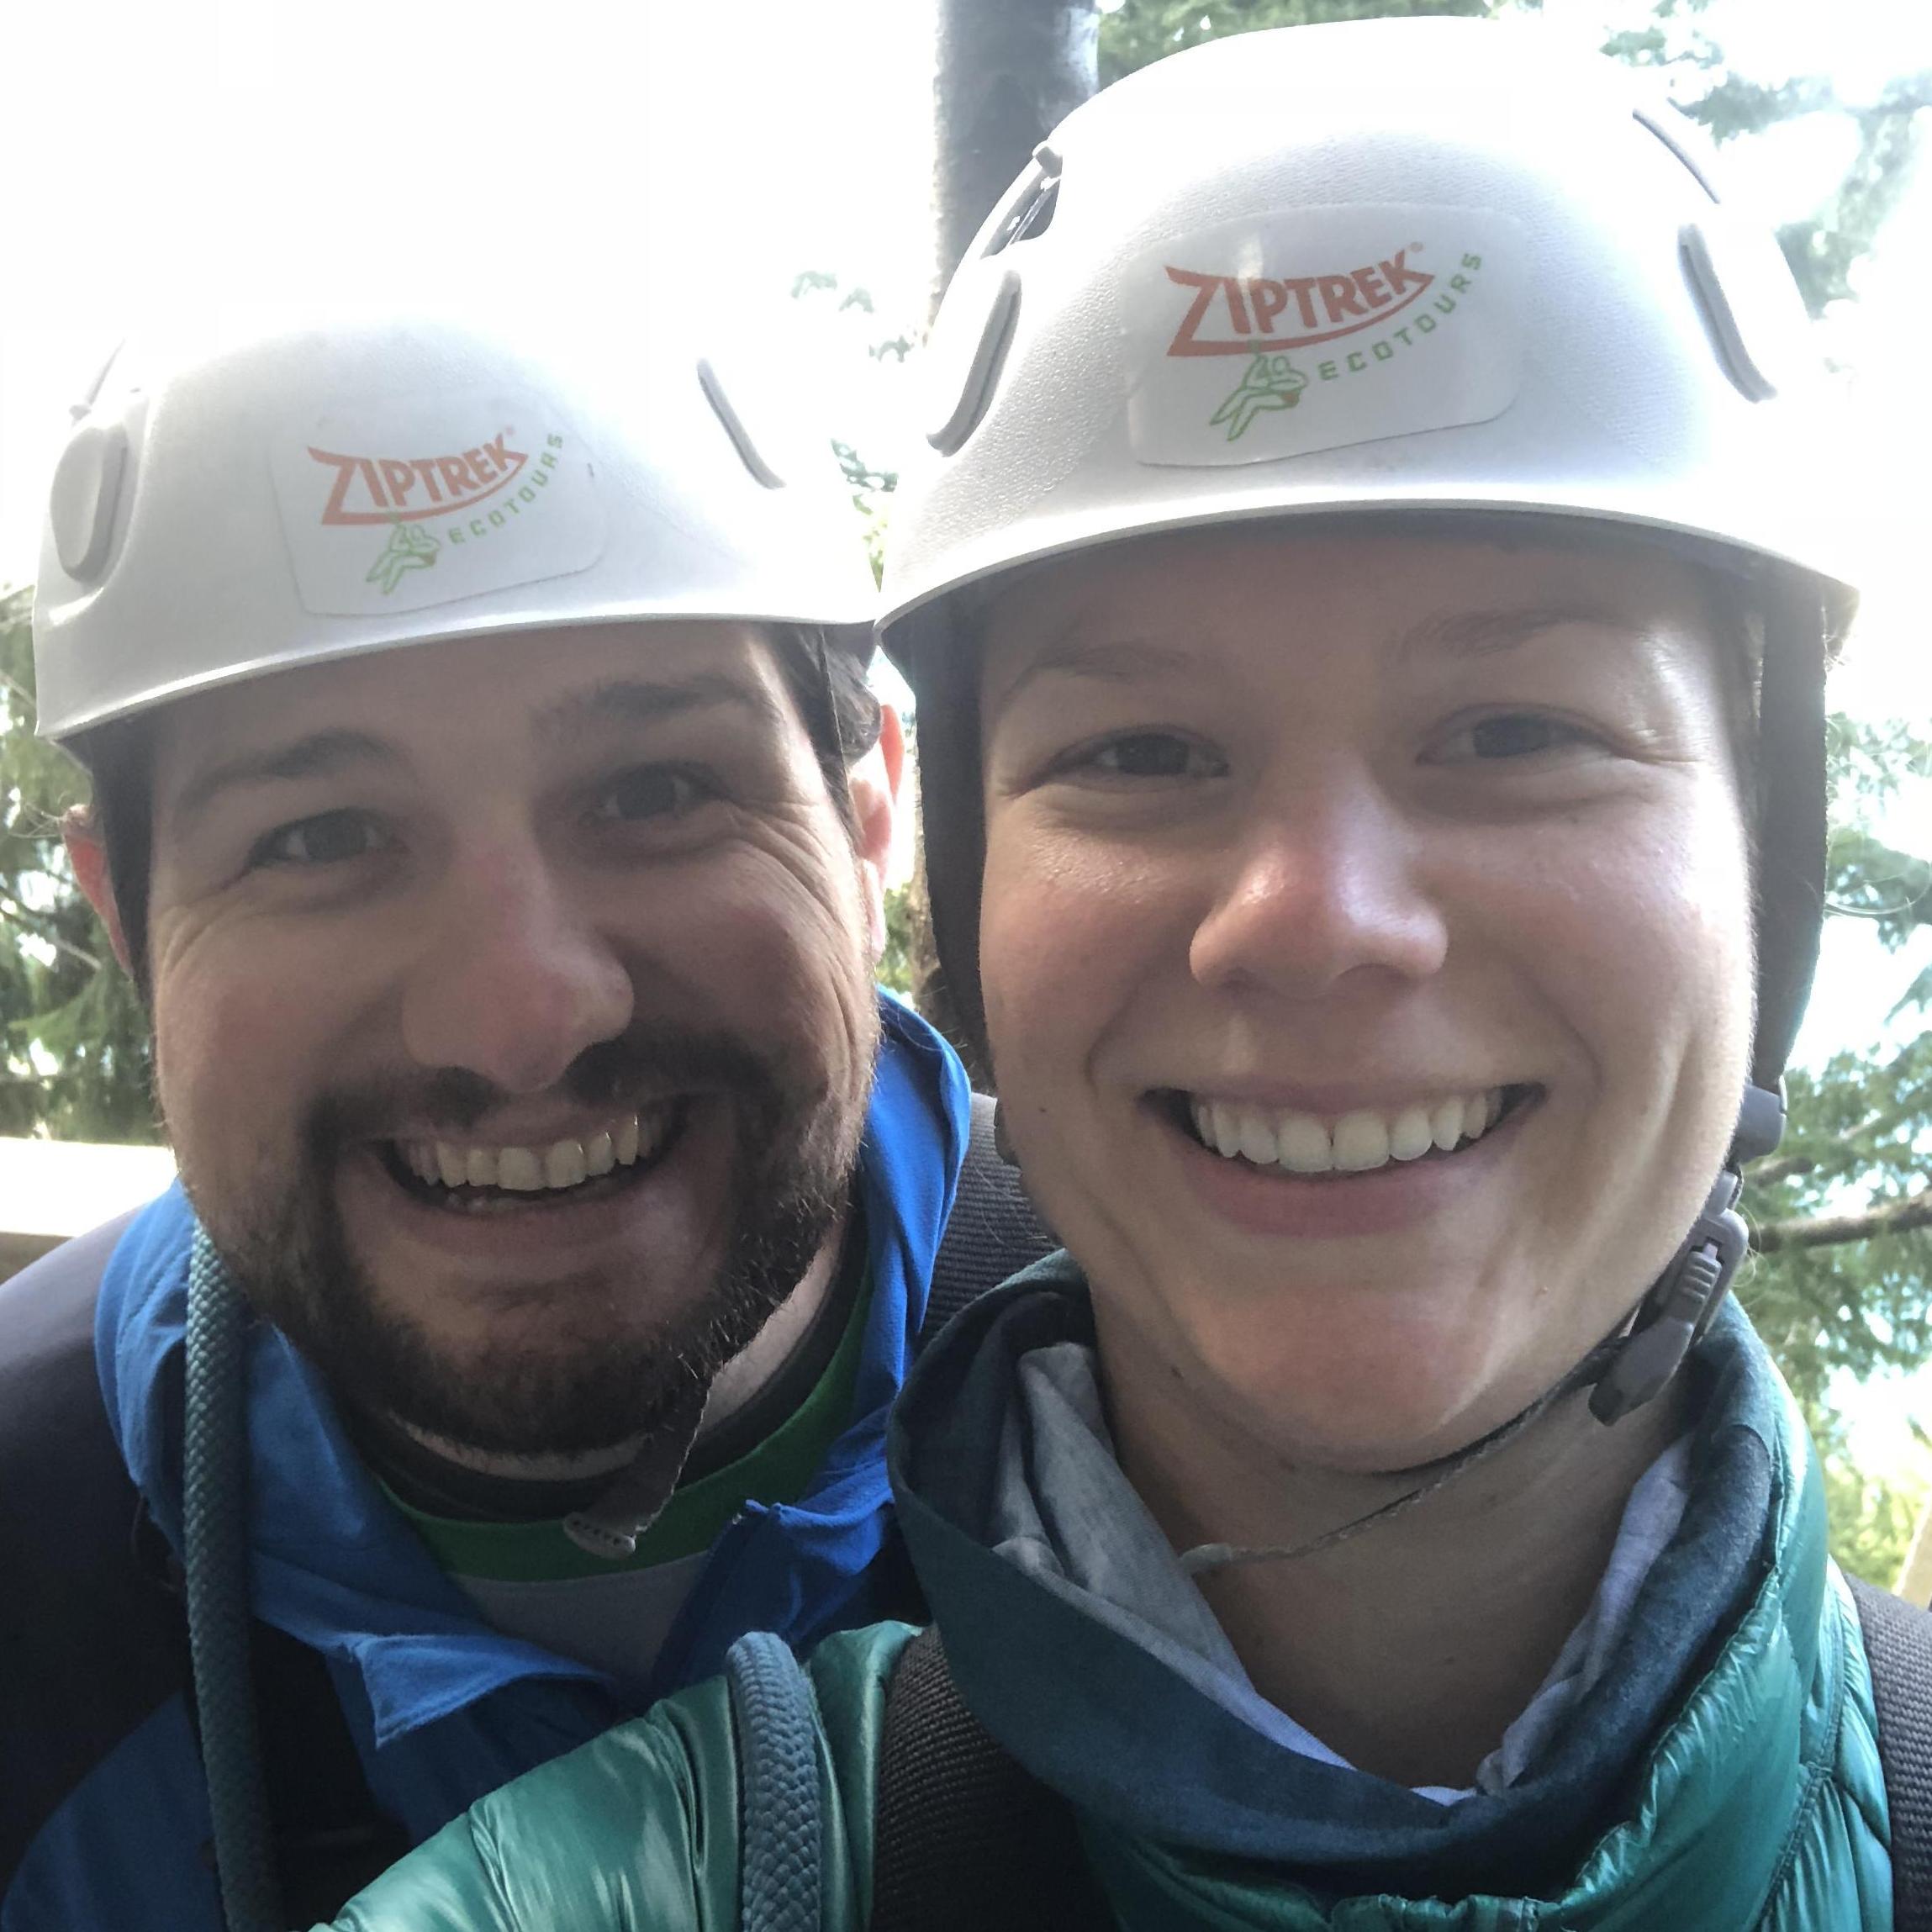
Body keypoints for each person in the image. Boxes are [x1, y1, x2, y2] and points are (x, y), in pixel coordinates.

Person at [321, 19, 1908, 1929]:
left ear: (1763, 859)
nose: (1317, 919)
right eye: (1142, 754)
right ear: (976, 908)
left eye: (1513, 731)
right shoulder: (660, 1884)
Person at [0, 317, 1050, 1932]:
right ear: (128, 924)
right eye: (321, 833)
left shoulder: (1207, 1371)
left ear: (867, 815)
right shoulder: (27, 1531)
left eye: (655, 792)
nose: (519, 1017)